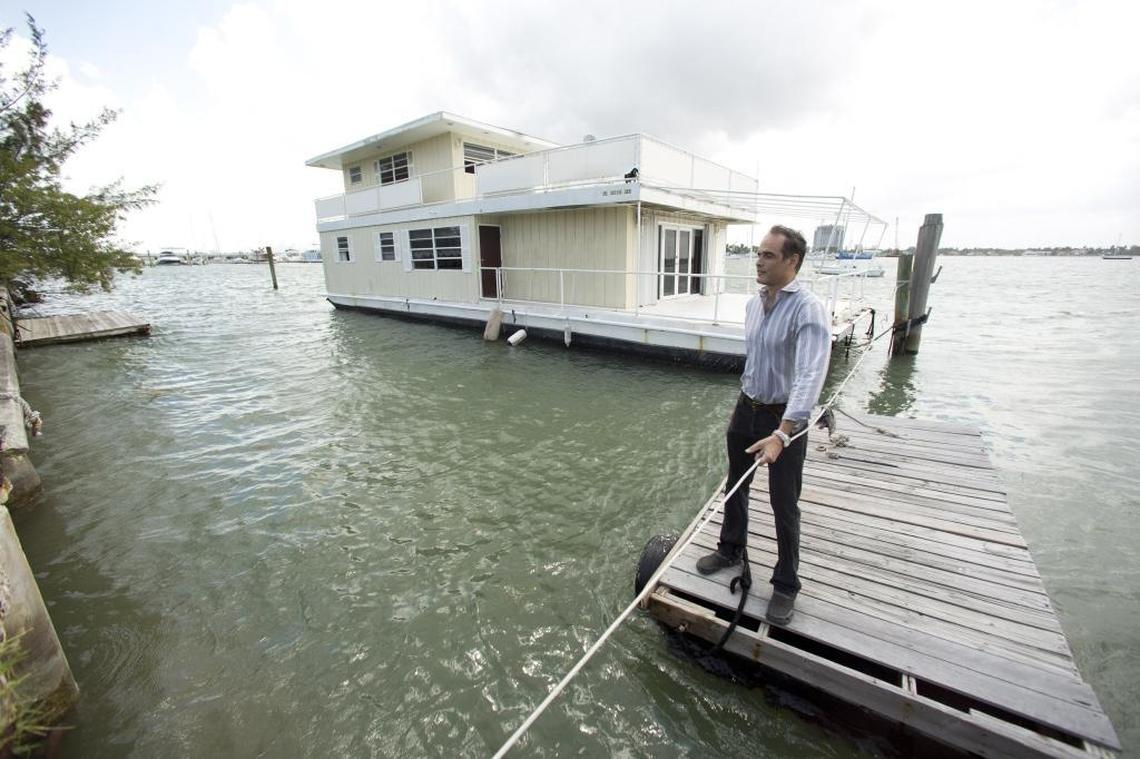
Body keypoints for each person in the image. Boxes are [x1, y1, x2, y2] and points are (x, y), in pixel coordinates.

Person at [695, 225, 830, 625]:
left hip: (783, 417)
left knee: (783, 502)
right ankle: (730, 548)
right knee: (735, 482)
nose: (759, 261)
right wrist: (743, 406)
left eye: (769, 255)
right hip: (748, 407)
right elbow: (756, 362)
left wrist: (782, 434)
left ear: (793, 261)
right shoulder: (754, 304)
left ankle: (786, 583)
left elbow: (810, 375)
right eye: (758, 253)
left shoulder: (808, 309)